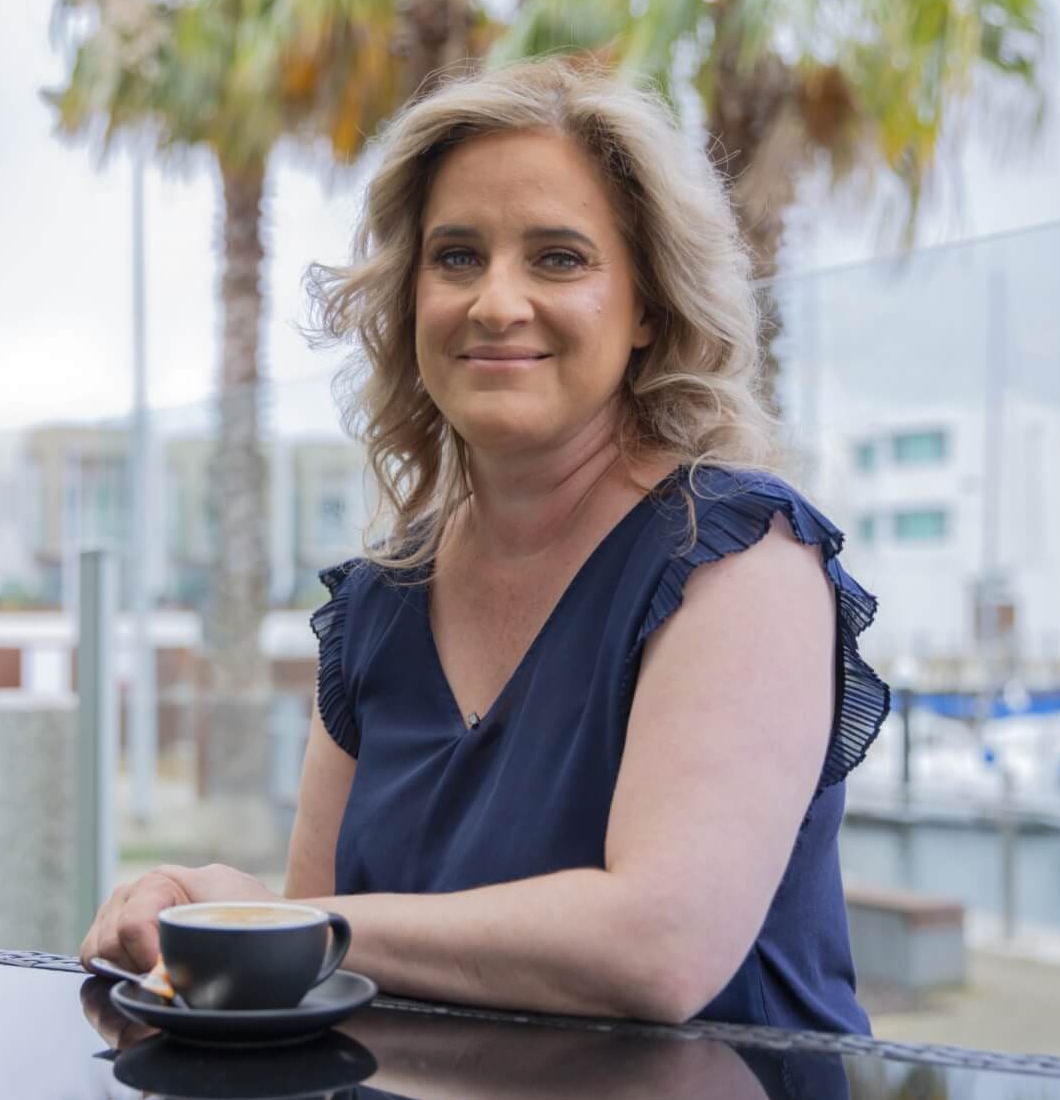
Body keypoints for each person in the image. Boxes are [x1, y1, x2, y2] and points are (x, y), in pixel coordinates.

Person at [80, 58, 889, 1030]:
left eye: (559, 258)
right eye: (457, 256)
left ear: (646, 306)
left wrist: (277, 922)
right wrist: (201, 903)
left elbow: (662, 947)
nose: (496, 303)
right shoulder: (378, 604)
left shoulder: (738, 553)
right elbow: (326, 956)